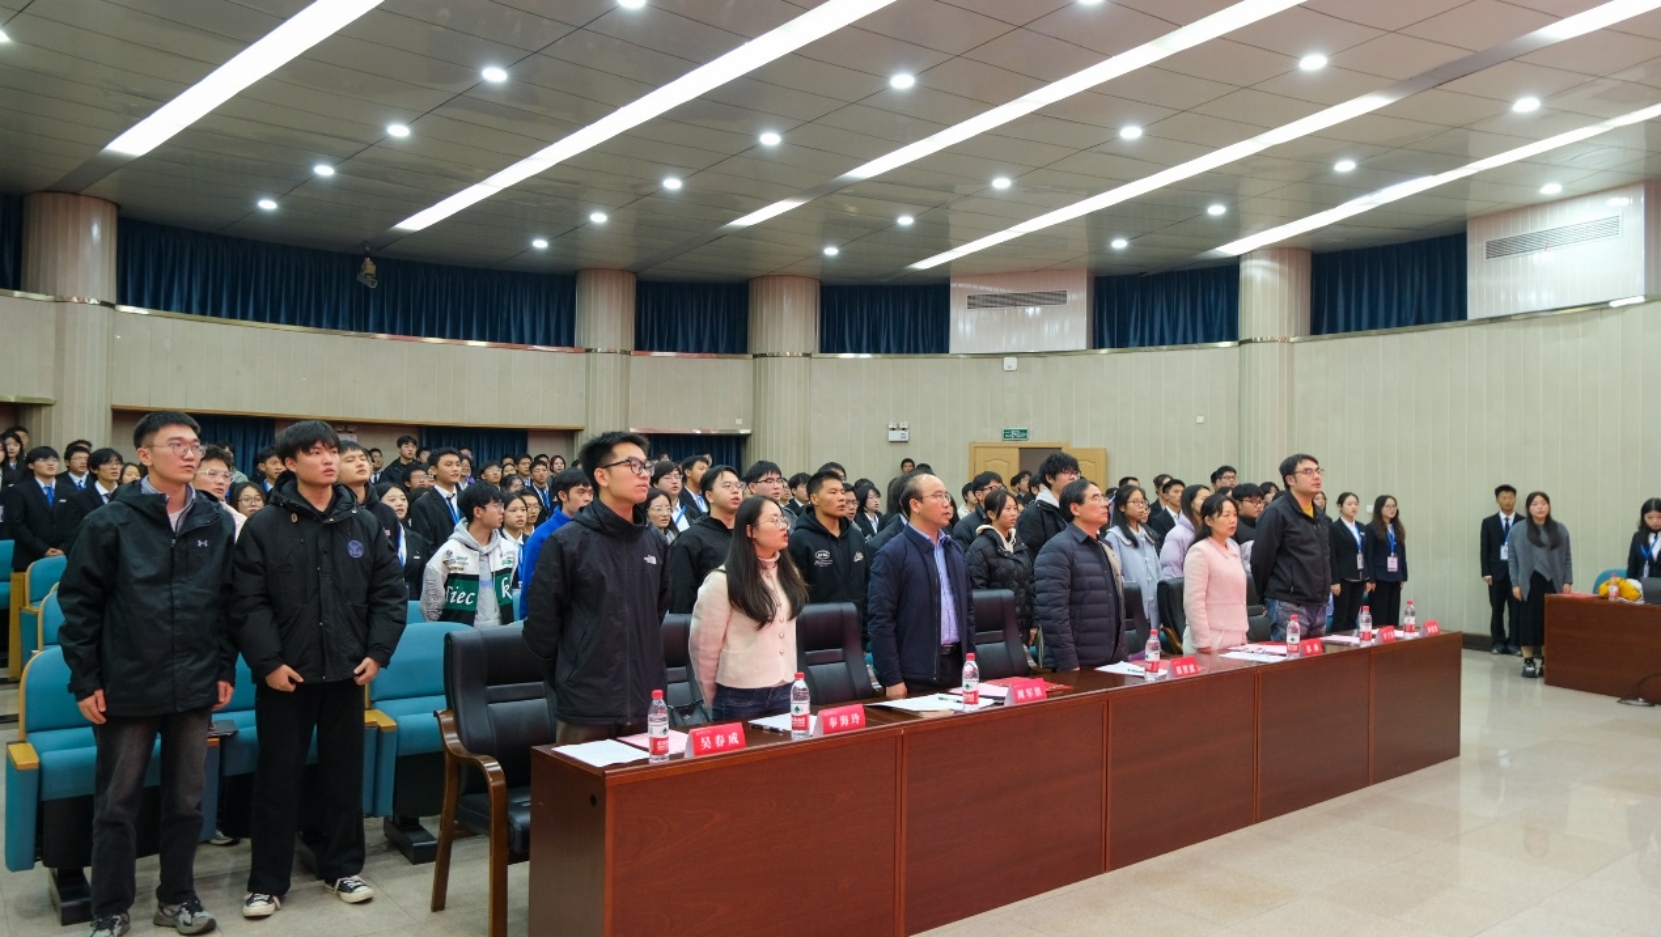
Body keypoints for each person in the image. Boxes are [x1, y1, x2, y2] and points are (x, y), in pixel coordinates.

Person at [59, 412, 236, 937]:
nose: (189, 453)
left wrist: (223, 666)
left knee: (187, 801)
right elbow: (80, 606)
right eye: (176, 444)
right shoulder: (110, 521)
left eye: (194, 445)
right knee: (117, 802)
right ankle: (110, 907)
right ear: (144, 455)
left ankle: (177, 898)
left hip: (195, 679)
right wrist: (85, 679)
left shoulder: (215, 520)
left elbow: (226, 602)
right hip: (128, 680)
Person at [231, 421, 405, 918]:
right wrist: (269, 662)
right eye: (315, 452)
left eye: (333, 451)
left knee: (344, 777)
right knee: (277, 779)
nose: (328, 460)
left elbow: (389, 594)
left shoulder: (363, 523)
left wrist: (378, 651)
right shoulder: (264, 526)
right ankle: (266, 882)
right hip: (286, 676)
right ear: (289, 463)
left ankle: (342, 868)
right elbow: (247, 603)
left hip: (348, 672)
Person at [523, 432, 669, 742]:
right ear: (601, 476)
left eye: (646, 466)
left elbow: (656, 612)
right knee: (580, 774)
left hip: (645, 698)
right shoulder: (567, 542)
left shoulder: (655, 541)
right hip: (586, 704)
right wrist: (570, 674)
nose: (644, 474)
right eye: (632, 465)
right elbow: (542, 626)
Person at [688, 496, 809, 720]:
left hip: (786, 688)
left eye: (783, 519)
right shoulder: (722, 580)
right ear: (750, 530)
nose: (783, 526)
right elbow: (704, 647)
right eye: (774, 520)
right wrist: (712, 696)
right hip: (739, 694)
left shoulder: (790, 573)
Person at [868, 473, 973, 695]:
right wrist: (892, 678)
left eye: (946, 495)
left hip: (957, 668)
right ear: (915, 504)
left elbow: (968, 612)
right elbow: (881, 621)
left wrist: (971, 664)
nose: (946, 503)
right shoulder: (892, 553)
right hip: (915, 673)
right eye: (937, 496)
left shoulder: (954, 550)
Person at [1034, 480, 1127, 671]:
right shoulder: (1057, 549)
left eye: (1103, 497)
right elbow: (1053, 614)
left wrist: (1121, 655)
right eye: (1096, 498)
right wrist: (1069, 664)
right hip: (1077, 664)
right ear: (1075, 508)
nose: (1105, 503)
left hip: (1111, 661)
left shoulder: (1105, 546)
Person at [1250, 454, 1332, 640]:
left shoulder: (1320, 515)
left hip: (1318, 602)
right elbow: (1260, 560)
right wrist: (1268, 596)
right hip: (1288, 603)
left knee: (1316, 656)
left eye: (1318, 471)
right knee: (1290, 656)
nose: (1316, 476)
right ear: (1290, 480)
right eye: (1308, 472)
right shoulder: (1276, 512)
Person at [422, 483, 517, 627]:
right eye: (496, 506)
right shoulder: (448, 553)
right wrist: (443, 631)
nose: (502, 511)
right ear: (478, 512)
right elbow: (431, 606)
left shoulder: (508, 549)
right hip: (462, 635)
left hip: (501, 633)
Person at [786, 470, 869, 625]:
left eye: (842, 492)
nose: (842, 498)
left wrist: (865, 631)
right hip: (815, 629)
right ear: (814, 499)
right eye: (833, 492)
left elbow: (866, 585)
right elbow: (795, 595)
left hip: (854, 628)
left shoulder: (856, 536)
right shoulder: (800, 540)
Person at [515, 468, 595, 620]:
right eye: (581, 492)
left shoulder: (595, 530)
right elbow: (531, 587)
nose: (588, 498)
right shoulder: (542, 536)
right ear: (563, 495)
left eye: (591, 493)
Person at [1509, 491, 1572, 679]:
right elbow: (1512, 559)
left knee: (1549, 623)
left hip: (1553, 582)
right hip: (1528, 583)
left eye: (1543, 503)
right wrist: (1515, 584)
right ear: (1528, 508)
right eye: (1535, 504)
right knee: (1528, 623)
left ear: (1549, 506)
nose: (1540, 507)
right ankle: (1528, 661)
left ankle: (1546, 661)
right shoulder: (1517, 530)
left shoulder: (1560, 529)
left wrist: (1567, 580)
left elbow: (1567, 557)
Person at [668, 464, 743, 615]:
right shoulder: (691, 539)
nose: (735, 490)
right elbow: (681, 596)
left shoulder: (750, 533)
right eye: (727, 486)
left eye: (738, 485)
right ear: (709, 496)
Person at [1183, 493, 1249, 654]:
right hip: (1211, 635)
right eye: (1226, 515)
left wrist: (1242, 635)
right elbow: (1193, 601)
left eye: (1235, 515)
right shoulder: (1200, 551)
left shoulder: (1234, 549)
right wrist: (1203, 642)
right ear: (1209, 520)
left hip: (1235, 634)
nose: (1232, 520)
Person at [965, 488, 1033, 644]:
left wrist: (1034, 623)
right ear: (991, 514)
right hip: (995, 629)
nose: (1014, 513)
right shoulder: (979, 547)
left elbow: (1031, 583)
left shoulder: (1018, 543)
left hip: (1023, 625)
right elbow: (977, 592)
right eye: (1007, 509)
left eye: (1015, 508)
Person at [5, 446, 77, 574]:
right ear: (31, 465)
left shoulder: (69, 490)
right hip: (29, 556)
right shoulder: (19, 491)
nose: (51, 463)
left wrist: (64, 548)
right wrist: (43, 549)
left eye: (54, 460)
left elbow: (75, 523)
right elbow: (16, 525)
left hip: (64, 555)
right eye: (44, 460)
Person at [1104, 484, 1161, 637]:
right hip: (1131, 609)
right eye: (1135, 502)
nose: (1141, 506)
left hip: (1153, 609)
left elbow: (1158, 571)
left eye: (1143, 502)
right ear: (1122, 507)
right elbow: (1116, 575)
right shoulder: (1114, 536)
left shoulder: (1148, 534)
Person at [1017, 452, 1080, 559]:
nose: (1073, 477)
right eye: (1066, 472)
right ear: (1049, 478)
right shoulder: (1034, 513)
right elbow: (1030, 556)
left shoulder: (1076, 509)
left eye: (1075, 473)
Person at [62, 447, 126, 547]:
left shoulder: (129, 495)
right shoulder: (78, 499)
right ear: (93, 469)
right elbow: (72, 534)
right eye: (107, 463)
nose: (114, 467)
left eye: (117, 463)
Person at [376, 483, 430, 601]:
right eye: (392, 500)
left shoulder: (416, 539)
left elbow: (422, 579)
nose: (400, 503)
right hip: (381, 602)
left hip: (412, 604)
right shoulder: (372, 536)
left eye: (403, 499)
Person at [1328, 492, 1371, 633]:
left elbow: (1366, 553)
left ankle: (1352, 640)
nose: (1354, 507)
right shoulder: (1334, 528)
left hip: (1359, 577)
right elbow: (1332, 556)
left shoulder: (1361, 527)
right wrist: (1334, 581)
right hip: (1343, 578)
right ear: (1340, 506)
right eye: (1349, 504)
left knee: (1353, 616)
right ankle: (1337, 642)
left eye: (1356, 504)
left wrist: (1367, 577)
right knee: (1341, 615)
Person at [1363, 495, 1407, 627]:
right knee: (1379, 614)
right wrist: (1370, 578)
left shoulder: (1397, 528)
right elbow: (1369, 555)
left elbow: (1402, 554)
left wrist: (1403, 575)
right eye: (1388, 506)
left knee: (1393, 614)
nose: (1392, 509)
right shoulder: (1371, 528)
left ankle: (1391, 637)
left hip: (1395, 577)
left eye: (1394, 506)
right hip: (1379, 577)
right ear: (1379, 508)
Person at [408, 448, 465, 546]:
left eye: (458, 464)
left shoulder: (469, 499)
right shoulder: (422, 504)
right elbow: (423, 543)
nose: (455, 469)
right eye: (448, 465)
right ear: (433, 470)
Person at [190, 446, 246, 541]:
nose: (221, 481)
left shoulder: (238, 522)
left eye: (226, 476)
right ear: (190, 476)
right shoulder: (174, 513)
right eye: (212, 474)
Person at [1157, 484, 1211, 580]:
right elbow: (1171, 571)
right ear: (1191, 503)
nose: (1211, 503)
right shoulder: (1177, 534)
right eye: (1204, 499)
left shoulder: (1213, 531)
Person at [951, 472, 1004, 547]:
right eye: (994, 489)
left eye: (1001, 488)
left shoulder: (1009, 519)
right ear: (979, 495)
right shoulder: (964, 527)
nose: (1000, 493)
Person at [1625, 498, 1661, 581]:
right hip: (1642, 585)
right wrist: (1630, 584)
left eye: (1659, 517)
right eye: (1650, 517)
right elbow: (1632, 566)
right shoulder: (1638, 537)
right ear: (1643, 517)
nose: (1655, 521)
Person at [1146, 476, 1184, 547]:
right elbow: (1160, 545)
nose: (1180, 495)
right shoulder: (1158, 519)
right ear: (1166, 495)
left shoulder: (1188, 516)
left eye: (1182, 492)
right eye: (1176, 492)